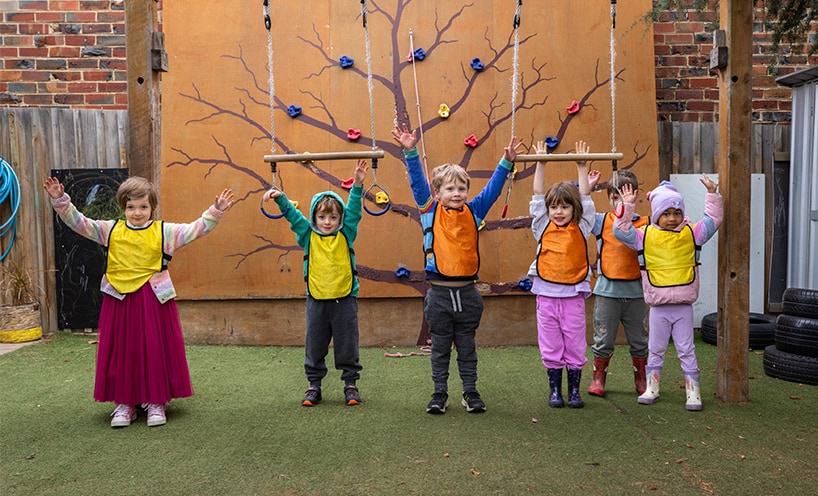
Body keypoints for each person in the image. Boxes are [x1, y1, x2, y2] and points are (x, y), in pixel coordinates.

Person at [44, 176, 234, 428]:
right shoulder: (109, 230)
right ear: (123, 207)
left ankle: (155, 401)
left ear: (152, 207)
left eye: (143, 207)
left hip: (153, 300)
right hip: (119, 300)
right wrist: (60, 200)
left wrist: (216, 210)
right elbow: (79, 223)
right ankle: (125, 404)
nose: (137, 212)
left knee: (153, 348)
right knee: (122, 350)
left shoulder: (165, 232)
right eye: (131, 207)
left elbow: (195, 229)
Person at [391, 123, 522, 414]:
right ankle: (439, 393)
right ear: (437, 192)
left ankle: (470, 392)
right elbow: (417, 183)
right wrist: (410, 151)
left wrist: (506, 163)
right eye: (450, 188)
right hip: (438, 296)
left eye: (462, 188)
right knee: (439, 349)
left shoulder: (474, 211)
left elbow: (492, 190)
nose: (457, 193)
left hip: (468, 295)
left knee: (467, 348)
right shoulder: (429, 209)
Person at [263, 160, 368, 407]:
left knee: (347, 343)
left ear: (340, 219)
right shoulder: (308, 235)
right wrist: (280, 199)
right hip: (317, 299)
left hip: (345, 299)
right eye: (322, 217)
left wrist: (358, 185)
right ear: (314, 218)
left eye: (333, 217)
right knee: (315, 344)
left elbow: (354, 211)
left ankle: (350, 384)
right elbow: (293, 215)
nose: (327, 222)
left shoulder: (346, 232)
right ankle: (314, 385)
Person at [614, 176, 722, 411]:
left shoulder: (693, 234)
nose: (672, 218)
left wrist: (712, 194)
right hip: (658, 306)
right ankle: (652, 387)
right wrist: (628, 206)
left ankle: (693, 391)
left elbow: (713, 220)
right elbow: (620, 231)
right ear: (656, 215)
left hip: (683, 306)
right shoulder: (643, 236)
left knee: (687, 350)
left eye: (676, 212)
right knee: (655, 348)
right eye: (666, 213)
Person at [527, 140, 599, 409]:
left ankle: (574, 391)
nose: (558, 212)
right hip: (546, 293)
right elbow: (537, 194)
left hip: (573, 295)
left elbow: (586, 201)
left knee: (575, 341)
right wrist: (541, 163)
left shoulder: (582, 227)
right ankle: (555, 390)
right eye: (554, 207)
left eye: (564, 207)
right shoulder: (542, 225)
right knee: (550, 343)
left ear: (573, 209)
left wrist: (582, 167)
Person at [587, 170, 649, 397]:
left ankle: (641, 379)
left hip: (636, 293)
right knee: (603, 338)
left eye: (624, 196)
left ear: (636, 195)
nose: (619, 202)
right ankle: (598, 378)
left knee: (639, 339)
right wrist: (588, 187)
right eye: (614, 197)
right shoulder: (602, 220)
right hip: (607, 292)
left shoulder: (646, 223)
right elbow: (581, 212)